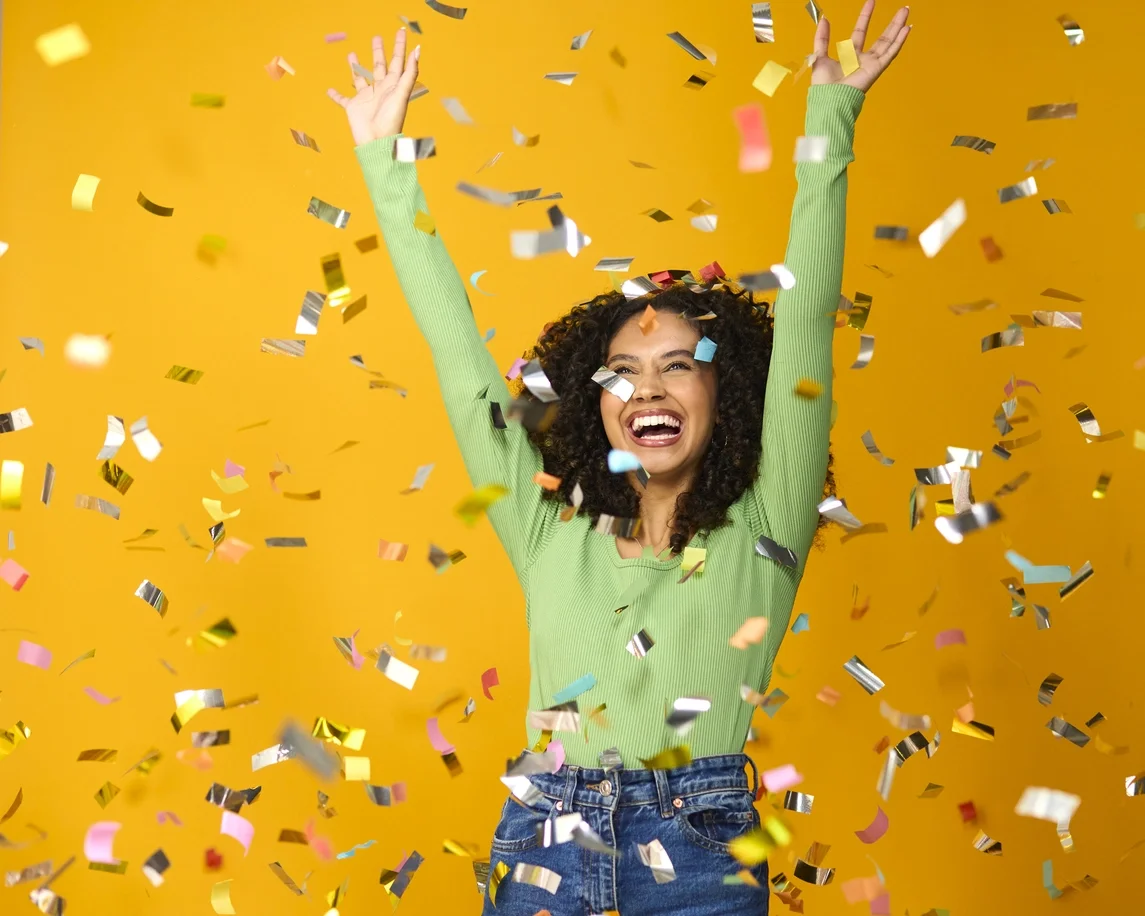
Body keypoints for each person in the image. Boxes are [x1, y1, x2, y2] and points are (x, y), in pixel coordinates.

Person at [331, 3, 910, 912]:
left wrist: (827, 121)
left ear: (728, 396)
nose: (648, 389)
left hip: (702, 847)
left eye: (679, 366)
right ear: (591, 400)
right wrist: (384, 162)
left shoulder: (768, 523)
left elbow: (804, 325)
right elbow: (459, 364)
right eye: (623, 372)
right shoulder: (546, 523)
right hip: (544, 844)